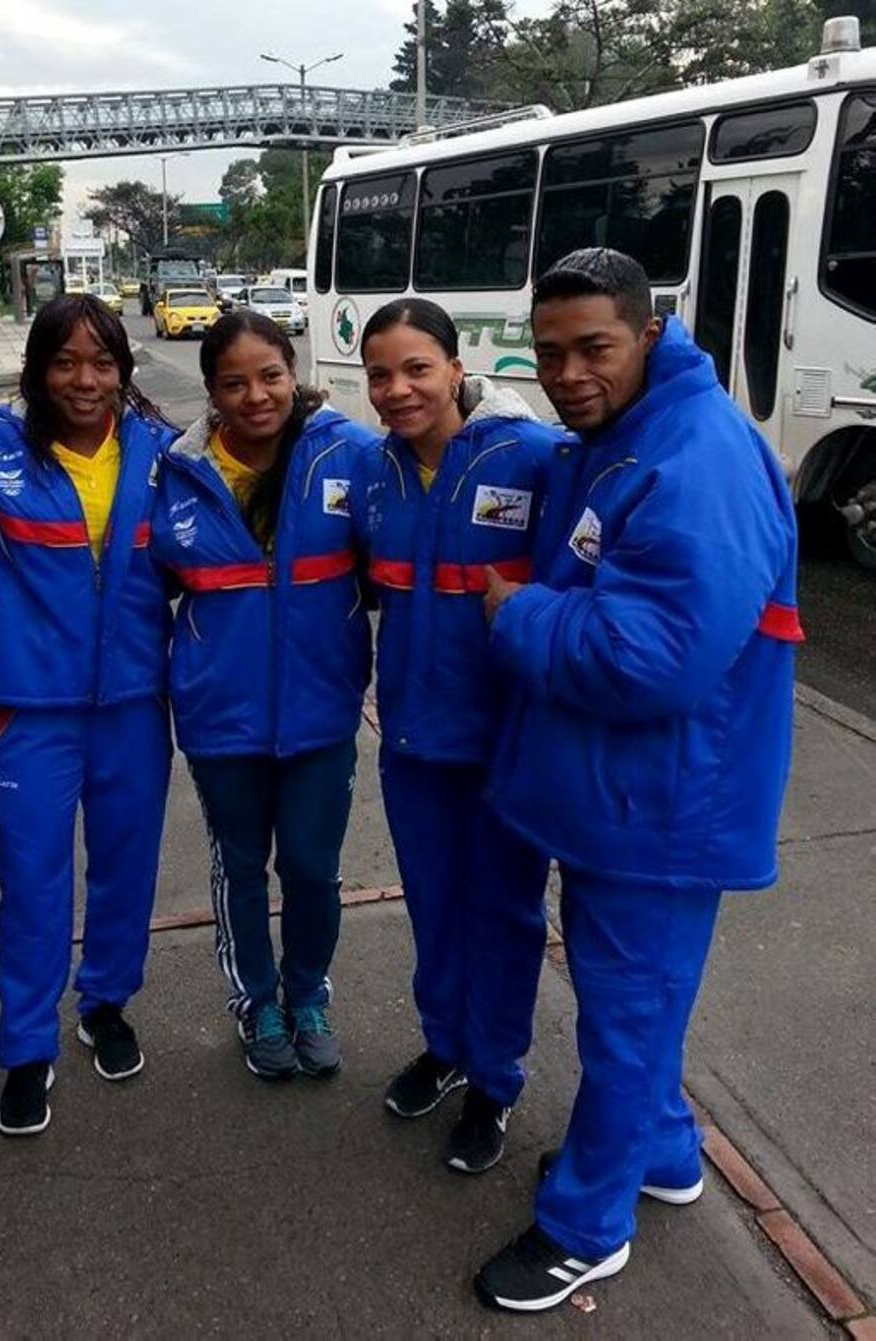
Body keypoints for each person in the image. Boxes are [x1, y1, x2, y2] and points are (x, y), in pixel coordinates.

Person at [472, 249, 802, 1311]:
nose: (568, 374)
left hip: (664, 804)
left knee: (628, 1014)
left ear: (649, 333)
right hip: (630, 793)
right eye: (553, 351)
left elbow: (652, 656)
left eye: (594, 348)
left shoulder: (693, 455)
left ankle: (587, 1227)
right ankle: (660, 1152)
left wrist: (517, 615)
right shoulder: (632, 432)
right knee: (637, 1008)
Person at [0, 294, 177, 1137]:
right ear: (38, 370)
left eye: (102, 362)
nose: (85, 380)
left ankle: (107, 1004)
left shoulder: (160, 454)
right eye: (65, 363)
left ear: (124, 369)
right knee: (33, 884)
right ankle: (26, 1047)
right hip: (33, 712)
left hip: (131, 706)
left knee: (126, 870)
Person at [355, 298, 558, 1173]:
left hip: (508, 745)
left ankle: (496, 1081)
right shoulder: (373, 473)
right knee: (434, 909)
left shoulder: (536, 457)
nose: (397, 390)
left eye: (416, 369)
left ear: (456, 366)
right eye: (378, 375)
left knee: (504, 916)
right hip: (413, 745)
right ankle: (445, 1048)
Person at [149, 310, 379, 1080]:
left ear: (294, 371)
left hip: (322, 711)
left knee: (313, 867)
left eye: (270, 376)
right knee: (240, 866)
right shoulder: (176, 471)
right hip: (221, 718)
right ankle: (257, 1000)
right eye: (234, 383)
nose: (255, 396)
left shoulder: (348, 452)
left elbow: (434, 474)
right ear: (211, 390)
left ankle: (307, 992)